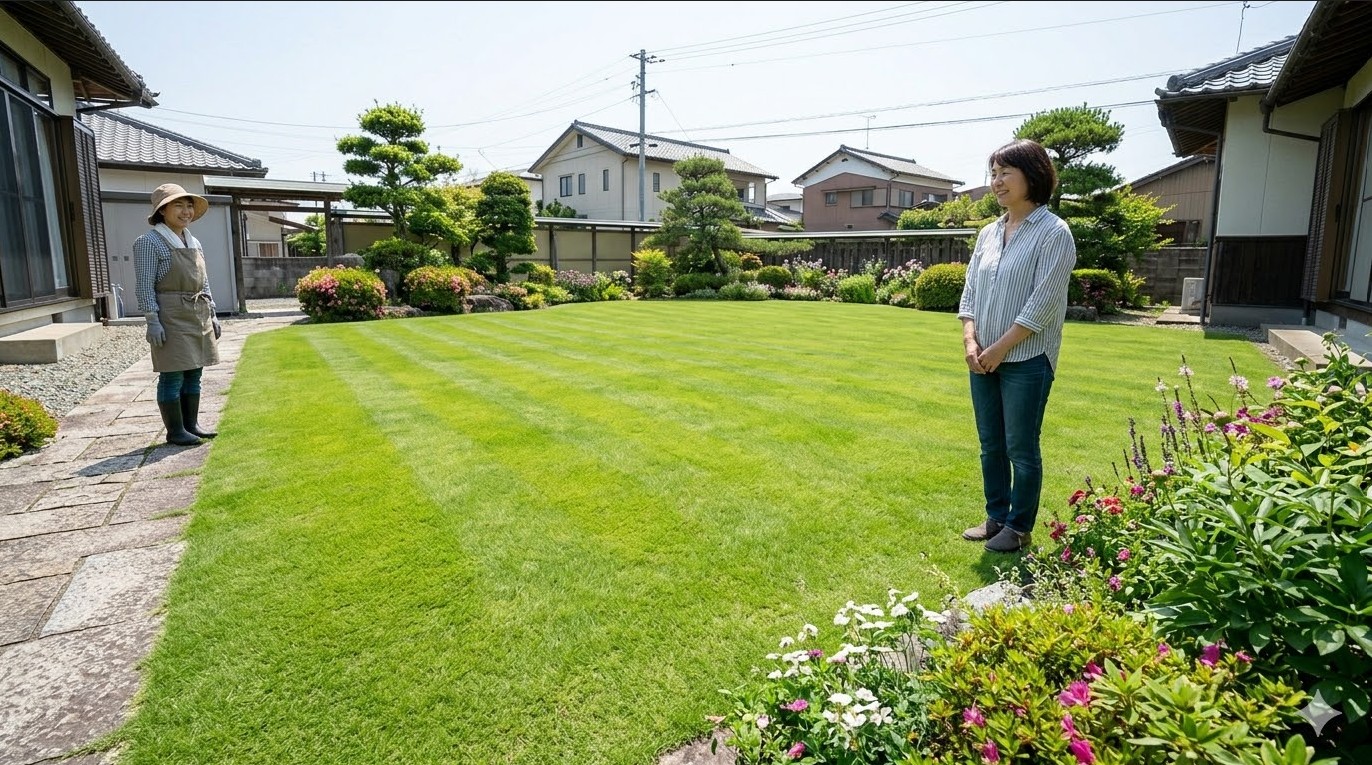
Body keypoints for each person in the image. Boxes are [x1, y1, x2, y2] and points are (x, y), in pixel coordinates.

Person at [956, 139, 1076, 553]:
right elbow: (970, 292)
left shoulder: (1054, 233)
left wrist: (1001, 348)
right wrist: (970, 339)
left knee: (1020, 447)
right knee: (990, 443)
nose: (997, 181)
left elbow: (1043, 302)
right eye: (993, 173)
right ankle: (995, 517)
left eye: (1006, 172)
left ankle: (1019, 527)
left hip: (1027, 357)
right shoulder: (988, 233)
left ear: (1033, 175)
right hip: (982, 355)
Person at [134, 183, 222, 447]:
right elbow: (144, 286)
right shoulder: (148, 242)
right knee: (172, 373)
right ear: (162, 211)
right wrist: (152, 320)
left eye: (189, 206)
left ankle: (190, 425)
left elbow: (203, 281)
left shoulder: (194, 242)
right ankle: (175, 431)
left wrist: (213, 313)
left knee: (195, 371)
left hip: (197, 311)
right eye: (178, 205)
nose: (186, 211)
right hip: (170, 313)